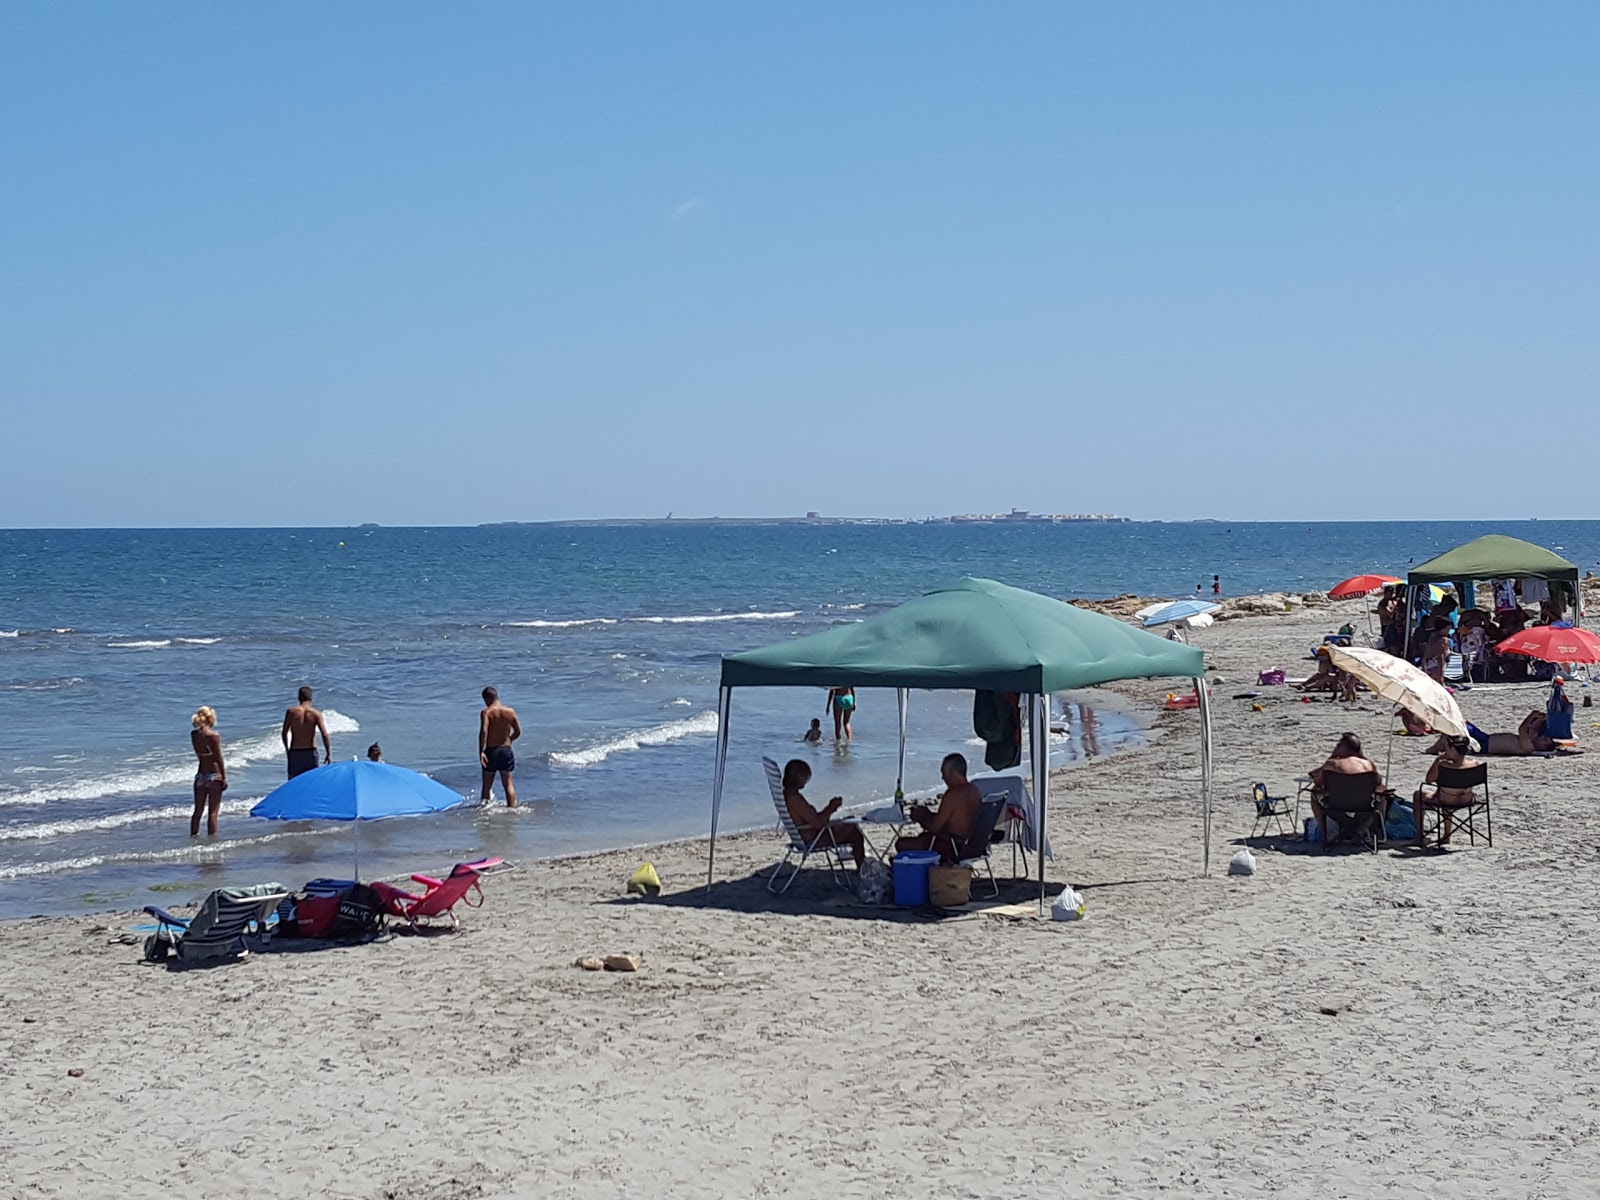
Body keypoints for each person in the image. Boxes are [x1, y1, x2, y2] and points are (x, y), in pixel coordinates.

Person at [895, 753, 982, 861]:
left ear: (951, 772)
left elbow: (935, 827)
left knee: (901, 843)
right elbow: (953, 820)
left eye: (943, 773)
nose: (942, 778)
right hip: (972, 846)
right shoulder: (974, 791)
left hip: (953, 846)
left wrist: (921, 816)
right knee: (922, 837)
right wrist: (927, 814)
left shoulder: (953, 794)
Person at [780, 759, 865, 867]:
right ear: (799, 778)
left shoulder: (787, 795)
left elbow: (813, 820)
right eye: (806, 777)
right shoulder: (795, 800)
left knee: (849, 822)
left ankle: (858, 864)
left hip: (808, 834)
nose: (807, 780)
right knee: (854, 832)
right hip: (813, 840)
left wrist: (829, 809)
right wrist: (831, 807)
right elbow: (818, 823)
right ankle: (862, 869)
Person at [1307, 732, 1383, 838]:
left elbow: (1318, 782)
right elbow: (1378, 781)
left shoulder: (1332, 764)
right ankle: (1363, 829)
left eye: (1338, 745)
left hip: (1336, 809)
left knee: (1314, 794)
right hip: (1364, 810)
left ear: (1344, 747)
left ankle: (1325, 833)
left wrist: (1332, 755)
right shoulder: (1368, 765)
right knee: (1384, 798)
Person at [1413, 735, 1481, 846]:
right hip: (1466, 800)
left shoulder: (1443, 766)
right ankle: (1447, 835)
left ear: (1453, 750)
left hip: (1446, 801)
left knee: (1418, 795)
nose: (1444, 750)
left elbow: (1428, 780)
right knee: (1448, 793)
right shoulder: (1474, 763)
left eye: (1447, 748)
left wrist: (1438, 760)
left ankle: (1420, 835)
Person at [479, 686, 522, 807]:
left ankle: (485, 811)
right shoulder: (510, 712)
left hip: (491, 751)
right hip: (506, 750)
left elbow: (484, 732)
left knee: (487, 786)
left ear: (487, 699)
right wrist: (509, 740)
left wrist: (481, 751)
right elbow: (518, 732)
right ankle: (512, 810)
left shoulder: (486, 712)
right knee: (508, 784)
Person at [1446, 711, 1558, 757]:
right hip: (1486, 738)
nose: (1542, 737)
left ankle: (1435, 748)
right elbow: (1534, 728)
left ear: (1543, 747)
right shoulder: (1532, 739)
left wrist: (1531, 716)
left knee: (1456, 729)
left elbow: (1522, 730)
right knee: (1461, 723)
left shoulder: (1528, 748)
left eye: (1544, 739)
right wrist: (1542, 718)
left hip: (1484, 746)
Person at [189, 706, 227, 837]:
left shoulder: (194, 735)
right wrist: (224, 777)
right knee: (213, 812)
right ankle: (212, 843)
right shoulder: (214, 736)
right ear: (211, 719)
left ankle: (193, 836)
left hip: (200, 776)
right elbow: (218, 758)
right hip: (213, 775)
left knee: (197, 811)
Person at [281, 686, 331, 778]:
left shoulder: (291, 712)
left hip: (295, 752)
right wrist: (328, 753)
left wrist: (287, 749)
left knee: (293, 782)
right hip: (310, 753)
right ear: (311, 698)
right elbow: (324, 734)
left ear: (299, 697)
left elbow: (284, 733)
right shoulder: (316, 714)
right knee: (311, 782)